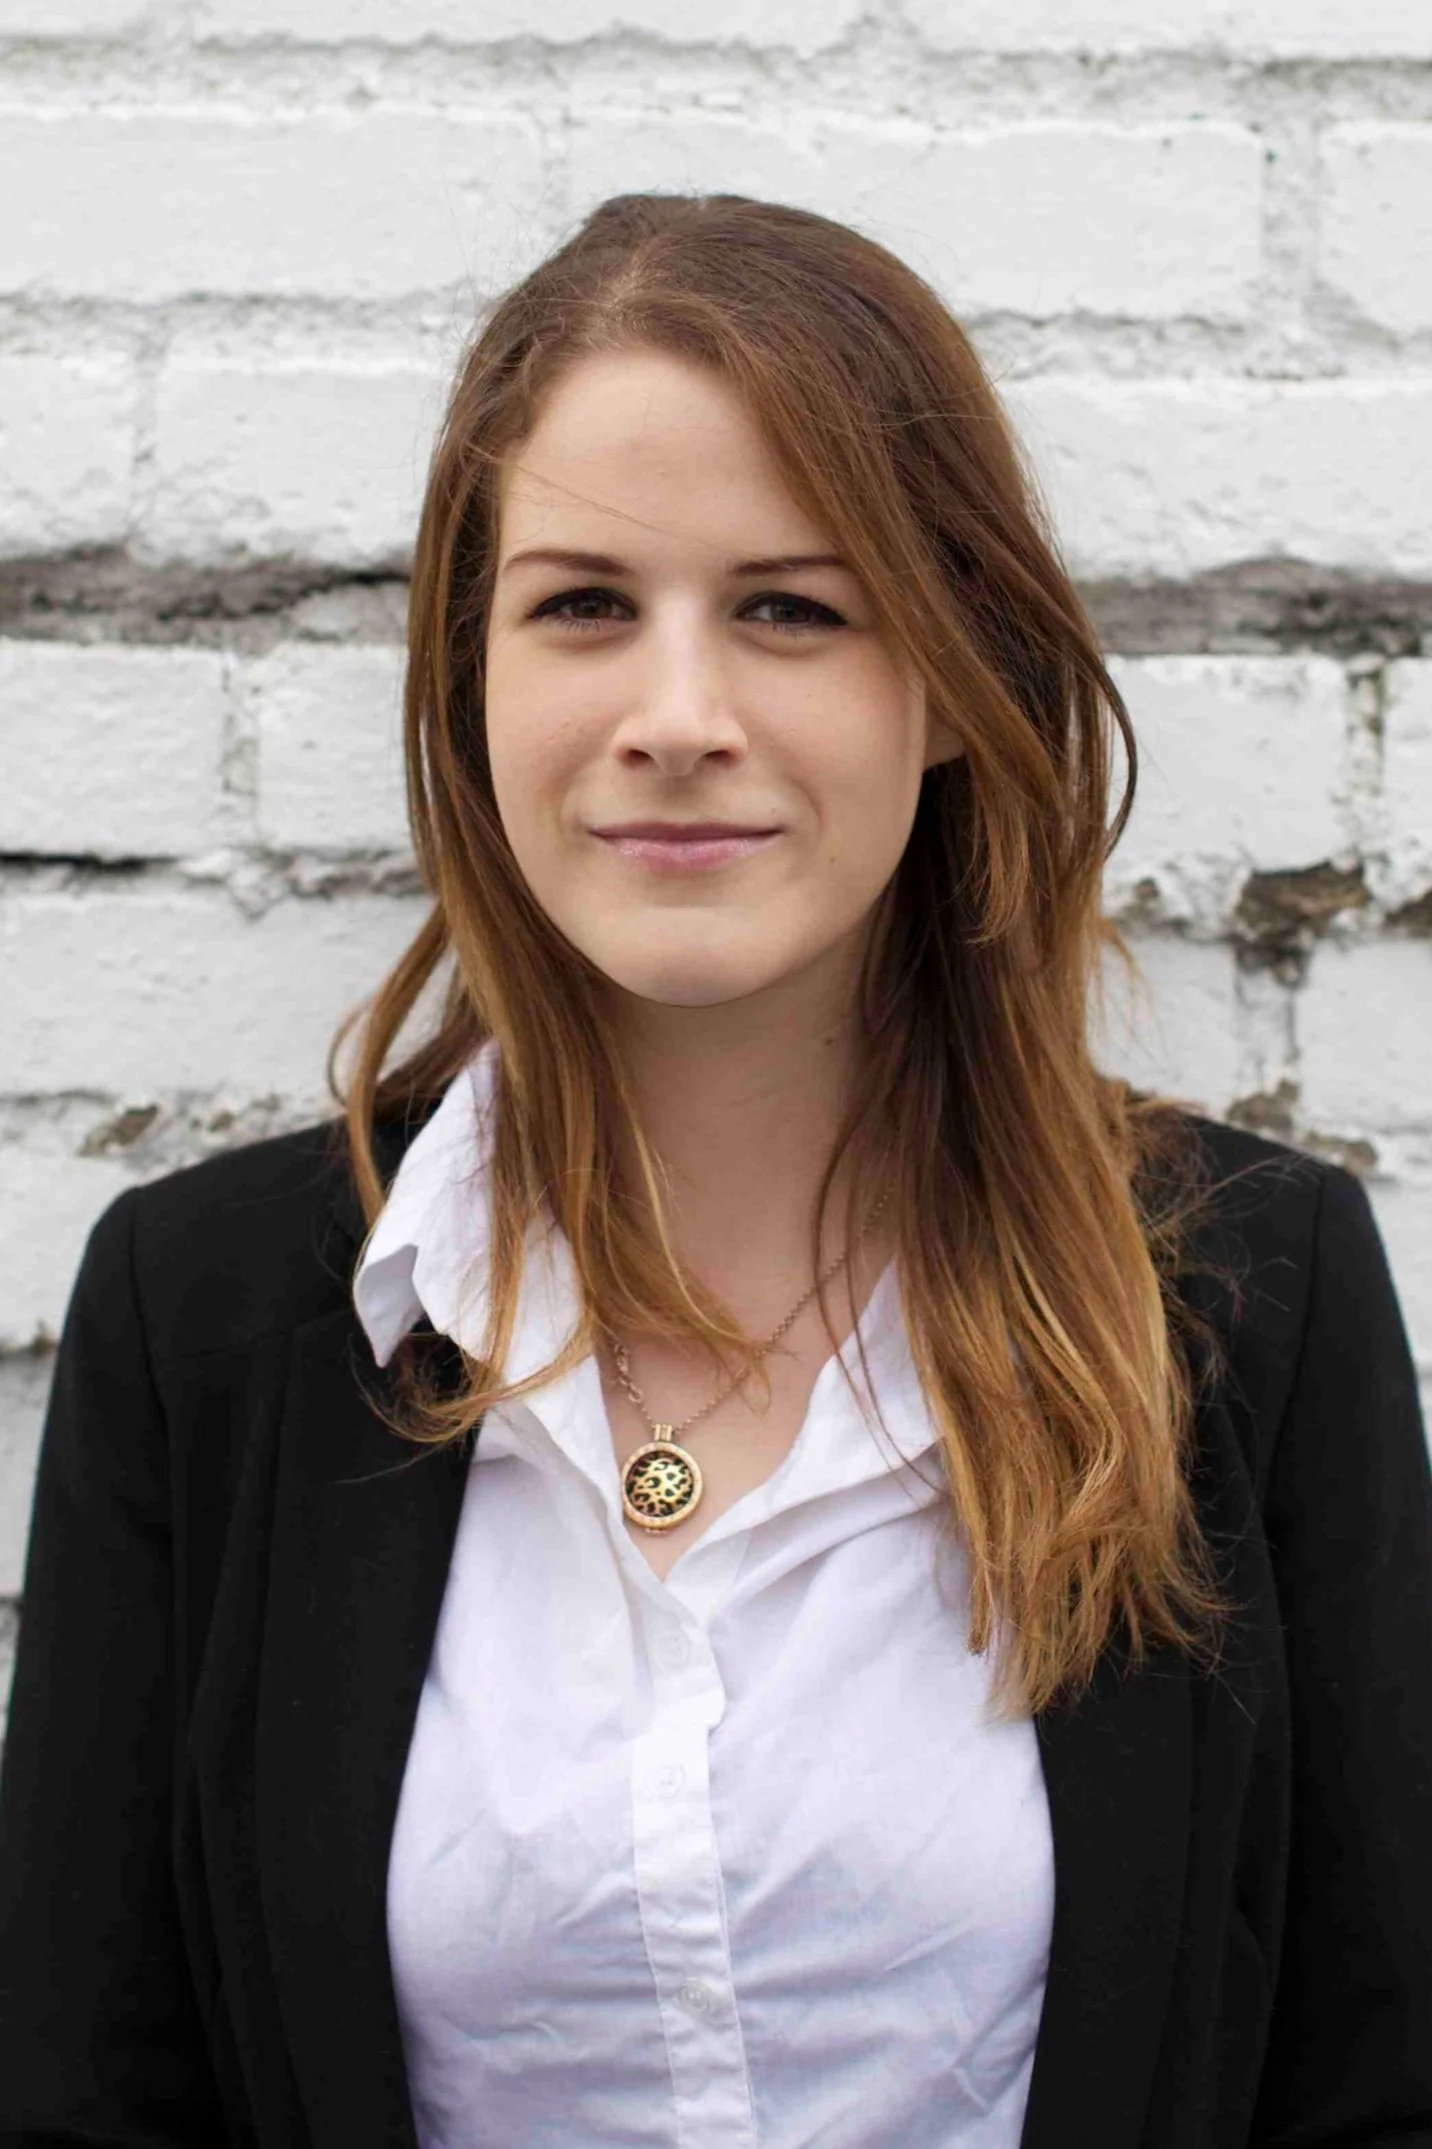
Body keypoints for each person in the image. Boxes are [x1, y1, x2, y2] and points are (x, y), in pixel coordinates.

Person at [0, 191, 1429, 2149]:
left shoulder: (1244, 1294)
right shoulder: (206, 1319)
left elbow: (1370, 2083)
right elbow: (94, 2095)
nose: (677, 720)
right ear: (470, 680)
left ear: (944, 683)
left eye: (791, 609)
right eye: (583, 605)